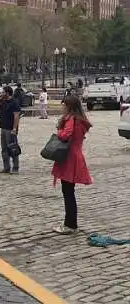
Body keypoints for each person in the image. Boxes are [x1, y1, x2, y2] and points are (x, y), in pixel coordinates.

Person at [51, 96, 92, 235]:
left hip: (69, 157)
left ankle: (70, 224)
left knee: (68, 192)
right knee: (69, 192)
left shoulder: (71, 119)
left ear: (69, 107)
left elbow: (66, 135)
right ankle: (71, 223)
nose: (62, 107)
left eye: (64, 105)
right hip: (76, 155)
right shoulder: (80, 120)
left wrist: (59, 132)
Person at [0, 85, 21, 174]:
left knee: (13, 148)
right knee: (4, 149)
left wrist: (14, 128)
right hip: (3, 127)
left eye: (3, 92)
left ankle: (15, 167)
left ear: (7, 93)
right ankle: (6, 167)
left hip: (10, 128)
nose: (1, 94)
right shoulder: (2, 101)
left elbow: (16, 116)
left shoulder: (14, 102)